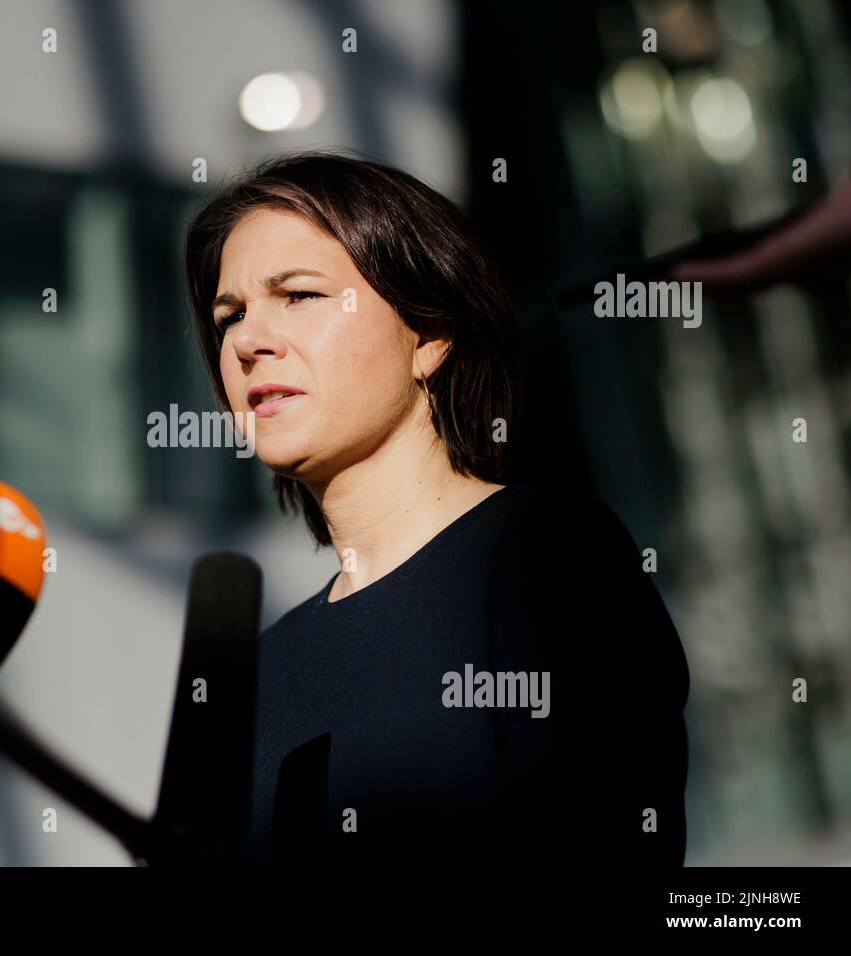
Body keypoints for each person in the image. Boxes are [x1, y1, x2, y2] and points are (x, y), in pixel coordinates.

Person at [183, 148, 690, 865]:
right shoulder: (261, 664)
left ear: (429, 331)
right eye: (229, 315)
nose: (248, 343)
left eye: (298, 295)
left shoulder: (546, 555)